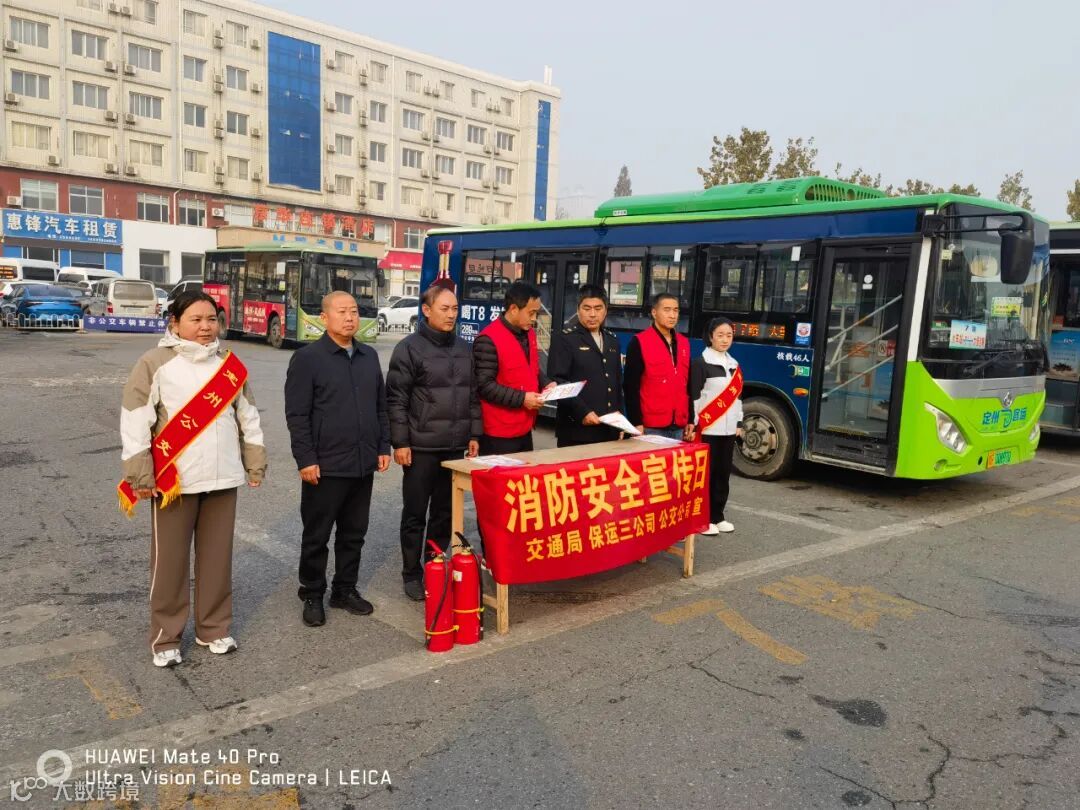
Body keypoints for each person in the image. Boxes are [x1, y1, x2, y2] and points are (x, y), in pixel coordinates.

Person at [119, 291, 266, 668]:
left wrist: (254, 462)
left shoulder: (230, 365)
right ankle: (166, 636)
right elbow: (135, 420)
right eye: (196, 320)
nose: (205, 327)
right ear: (175, 323)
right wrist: (141, 473)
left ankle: (213, 628)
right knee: (169, 563)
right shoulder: (154, 363)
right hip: (174, 482)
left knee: (217, 560)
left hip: (223, 477)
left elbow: (248, 417)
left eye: (211, 319)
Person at [284, 291, 391, 628]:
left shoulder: (368, 356)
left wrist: (383, 446)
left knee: (353, 533)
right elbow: (297, 415)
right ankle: (312, 592)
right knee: (317, 534)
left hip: (362, 462)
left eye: (354, 311)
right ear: (324, 318)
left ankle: (345, 589)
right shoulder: (308, 359)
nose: (349, 318)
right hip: (325, 465)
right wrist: (305, 459)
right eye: (342, 312)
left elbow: (380, 407)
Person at [386, 284, 481, 602]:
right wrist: (400, 442)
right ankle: (411, 573)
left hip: (454, 447)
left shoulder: (465, 348)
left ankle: (435, 565)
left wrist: (474, 435)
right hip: (420, 447)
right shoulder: (409, 349)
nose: (451, 314)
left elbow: (472, 396)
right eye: (444, 308)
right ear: (426, 310)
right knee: (415, 513)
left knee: (444, 513)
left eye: (455, 309)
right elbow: (396, 400)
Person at [472, 280, 555, 454]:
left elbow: (531, 368)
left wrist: (546, 383)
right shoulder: (488, 339)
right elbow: (484, 386)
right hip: (499, 432)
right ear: (513, 309)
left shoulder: (528, 333)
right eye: (531, 313)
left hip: (524, 427)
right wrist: (523, 399)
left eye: (536, 313)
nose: (534, 319)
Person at [546, 284, 624, 447]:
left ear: (605, 310)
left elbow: (616, 382)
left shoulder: (612, 340)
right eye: (587, 308)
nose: (592, 314)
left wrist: (620, 419)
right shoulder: (565, 339)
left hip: (609, 429)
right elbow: (558, 382)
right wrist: (583, 412)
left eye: (598, 308)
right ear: (578, 310)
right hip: (577, 430)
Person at [689, 317, 744, 535]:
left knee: (723, 474)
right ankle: (703, 518)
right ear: (710, 336)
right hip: (708, 429)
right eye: (720, 335)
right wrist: (693, 423)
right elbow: (694, 397)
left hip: (729, 430)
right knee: (706, 475)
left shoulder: (734, 365)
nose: (725, 339)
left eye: (729, 335)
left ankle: (718, 515)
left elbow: (738, 398)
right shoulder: (701, 363)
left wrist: (739, 422)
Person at [623, 293, 693, 440]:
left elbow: (688, 385)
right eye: (667, 310)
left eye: (675, 310)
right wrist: (636, 422)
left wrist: (690, 419)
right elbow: (630, 387)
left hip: (679, 425)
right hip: (650, 426)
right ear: (654, 312)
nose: (672, 315)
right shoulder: (639, 342)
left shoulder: (684, 343)